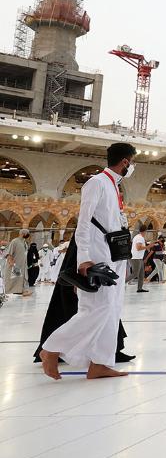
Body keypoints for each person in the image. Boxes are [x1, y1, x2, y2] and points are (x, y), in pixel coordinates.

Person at [40, 142, 137, 380]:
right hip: (98, 254)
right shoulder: (97, 183)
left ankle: (100, 363)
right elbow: (83, 223)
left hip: (114, 254)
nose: (133, 166)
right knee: (98, 307)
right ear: (125, 161)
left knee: (112, 310)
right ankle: (51, 349)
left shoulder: (114, 186)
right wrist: (84, 259)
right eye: (132, 161)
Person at [5, 230, 30, 297]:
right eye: (27, 233)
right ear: (22, 233)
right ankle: (11, 290)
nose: (28, 234)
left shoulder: (24, 242)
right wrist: (10, 261)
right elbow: (9, 252)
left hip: (23, 264)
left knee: (22, 277)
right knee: (15, 277)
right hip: (16, 263)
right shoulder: (15, 241)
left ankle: (21, 290)